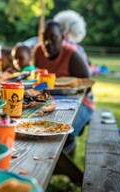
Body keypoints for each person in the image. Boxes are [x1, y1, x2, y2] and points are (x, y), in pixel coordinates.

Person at [33, 21, 94, 156]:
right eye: (44, 37)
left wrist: (66, 94)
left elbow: (88, 85)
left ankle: (64, 164)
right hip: (51, 101)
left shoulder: (72, 55)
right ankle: (50, 163)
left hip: (81, 103)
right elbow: (37, 79)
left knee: (65, 130)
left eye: (53, 37)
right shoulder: (38, 51)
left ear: (62, 38)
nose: (48, 42)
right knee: (37, 125)